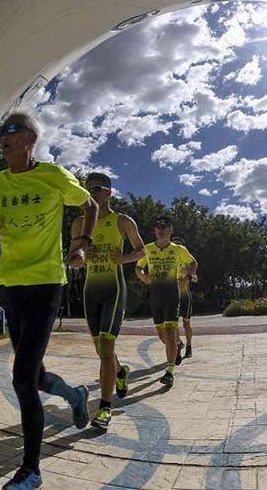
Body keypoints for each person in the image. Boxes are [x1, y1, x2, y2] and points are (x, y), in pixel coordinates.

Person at [0, 111, 98, 490]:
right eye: (0, 133)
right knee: (37, 376)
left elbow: (89, 206)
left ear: (30, 138)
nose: (3, 138)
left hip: (46, 284)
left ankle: (31, 469)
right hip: (10, 285)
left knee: (22, 379)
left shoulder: (54, 176)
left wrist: (81, 246)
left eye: (11, 131)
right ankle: (75, 394)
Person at [71, 172, 145, 430]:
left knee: (106, 346)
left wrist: (123, 259)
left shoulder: (122, 221)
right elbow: (72, 259)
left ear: (109, 192)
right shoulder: (79, 224)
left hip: (113, 289)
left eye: (98, 188)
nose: (93, 192)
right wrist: (80, 256)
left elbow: (142, 250)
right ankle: (121, 372)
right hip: (91, 292)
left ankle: (104, 408)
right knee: (102, 351)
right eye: (89, 188)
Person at [135, 216, 197, 387]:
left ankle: (169, 372)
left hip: (172, 294)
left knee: (170, 332)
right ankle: (178, 344)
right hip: (155, 295)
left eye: (164, 227)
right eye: (157, 227)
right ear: (155, 230)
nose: (160, 230)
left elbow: (193, 263)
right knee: (163, 336)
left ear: (170, 230)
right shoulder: (147, 249)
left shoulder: (178, 249)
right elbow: (138, 267)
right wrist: (142, 276)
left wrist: (188, 277)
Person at [171, 236, 197, 359]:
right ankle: (178, 345)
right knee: (173, 325)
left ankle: (189, 346)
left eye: (179, 245)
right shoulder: (169, 260)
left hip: (186, 296)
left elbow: (196, 279)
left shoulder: (188, 262)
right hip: (173, 297)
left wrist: (188, 275)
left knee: (186, 324)